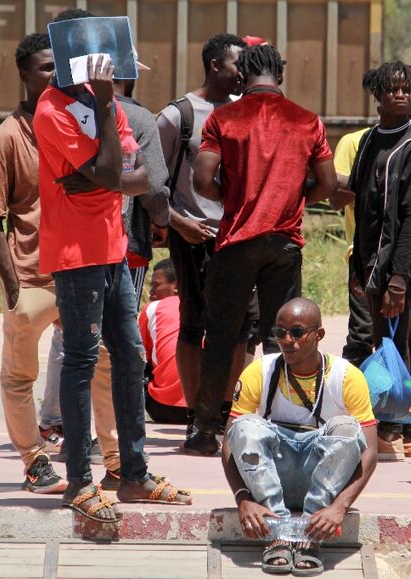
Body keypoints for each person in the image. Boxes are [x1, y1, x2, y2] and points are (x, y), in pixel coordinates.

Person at [33, 11, 191, 522]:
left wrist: (102, 173)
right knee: (81, 358)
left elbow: (137, 176)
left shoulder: (107, 109)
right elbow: (113, 169)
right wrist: (103, 112)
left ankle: (131, 472)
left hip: (114, 247)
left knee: (130, 353)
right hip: (77, 254)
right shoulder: (54, 109)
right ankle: (79, 480)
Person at [0, 32, 119, 494]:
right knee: (19, 375)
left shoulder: (73, 123)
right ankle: (34, 460)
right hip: (32, 276)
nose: (52, 76)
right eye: (43, 68)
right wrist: (11, 282)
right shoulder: (6, 138)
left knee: (103, 363)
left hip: (77, 270)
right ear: (23, 74)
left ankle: (116, 459)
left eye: (56, 68)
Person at [189, 43, 337, 455]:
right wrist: (294, 196)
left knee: (220, 335)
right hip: (283, 242)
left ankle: (204, 428)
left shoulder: (223, 118)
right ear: (281, 76)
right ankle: (282, 421)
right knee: (284, 337)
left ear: (242, 77)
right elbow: (327, 183)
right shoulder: (308, 121)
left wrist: (234, 198)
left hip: (236, 241)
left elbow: (201, 181)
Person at [222, 298, 377, 576]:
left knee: (347, 428)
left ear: (319, 335)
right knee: (244, 426)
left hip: (321, 481)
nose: (287, 340)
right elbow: (229, 444)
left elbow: (370, 453)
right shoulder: (260, 370)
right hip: (271, 478)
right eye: (279, 333)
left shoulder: (346, 376)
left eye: (297, 332)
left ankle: (310, 535)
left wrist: (340, 507)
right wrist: (242, 497)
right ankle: (278, 534)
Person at [156, 33, 251, 443]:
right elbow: (152, 183)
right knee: (193, 325)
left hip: (237, 237)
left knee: (242, 328)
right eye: (236, 66)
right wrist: (178, 222)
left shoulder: (243, 111)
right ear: (214, 66)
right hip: (193, 236)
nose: (242, 74)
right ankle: (196, 417)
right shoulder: (178, 116)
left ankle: (233, 414)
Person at [349, 62, 411, 461]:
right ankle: (403, 430)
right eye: (393, 89)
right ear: (378, 96)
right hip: (371, 264)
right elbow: (362, 207)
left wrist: (399, 280)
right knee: (385, 342)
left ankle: (398, 430)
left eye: (407, 90)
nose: (401, 95)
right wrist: (360, 268)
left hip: (399, 268)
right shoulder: (370, 141)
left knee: (397, 343)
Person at [112, 74, 170, 302]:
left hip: (78, 248)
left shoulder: (73, 111)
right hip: (128, 244)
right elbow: (154, 187)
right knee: (121, 329)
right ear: (130, 77)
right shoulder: (140, 118)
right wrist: (161, 222)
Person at [331, 128, 373, 369]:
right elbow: (335, 198)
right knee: (362, 334)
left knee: (397, 337)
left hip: (402, 256)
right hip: (362, 254)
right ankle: (355, 400)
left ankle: (398, 404)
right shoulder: (353, 141)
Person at [139, 259, 186, 424]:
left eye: (155, 285)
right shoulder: (205, 305)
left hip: (161, 409)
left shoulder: (152, 308)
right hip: (203, 410)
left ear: (177, 286)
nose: (151, 291)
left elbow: (141, 352)